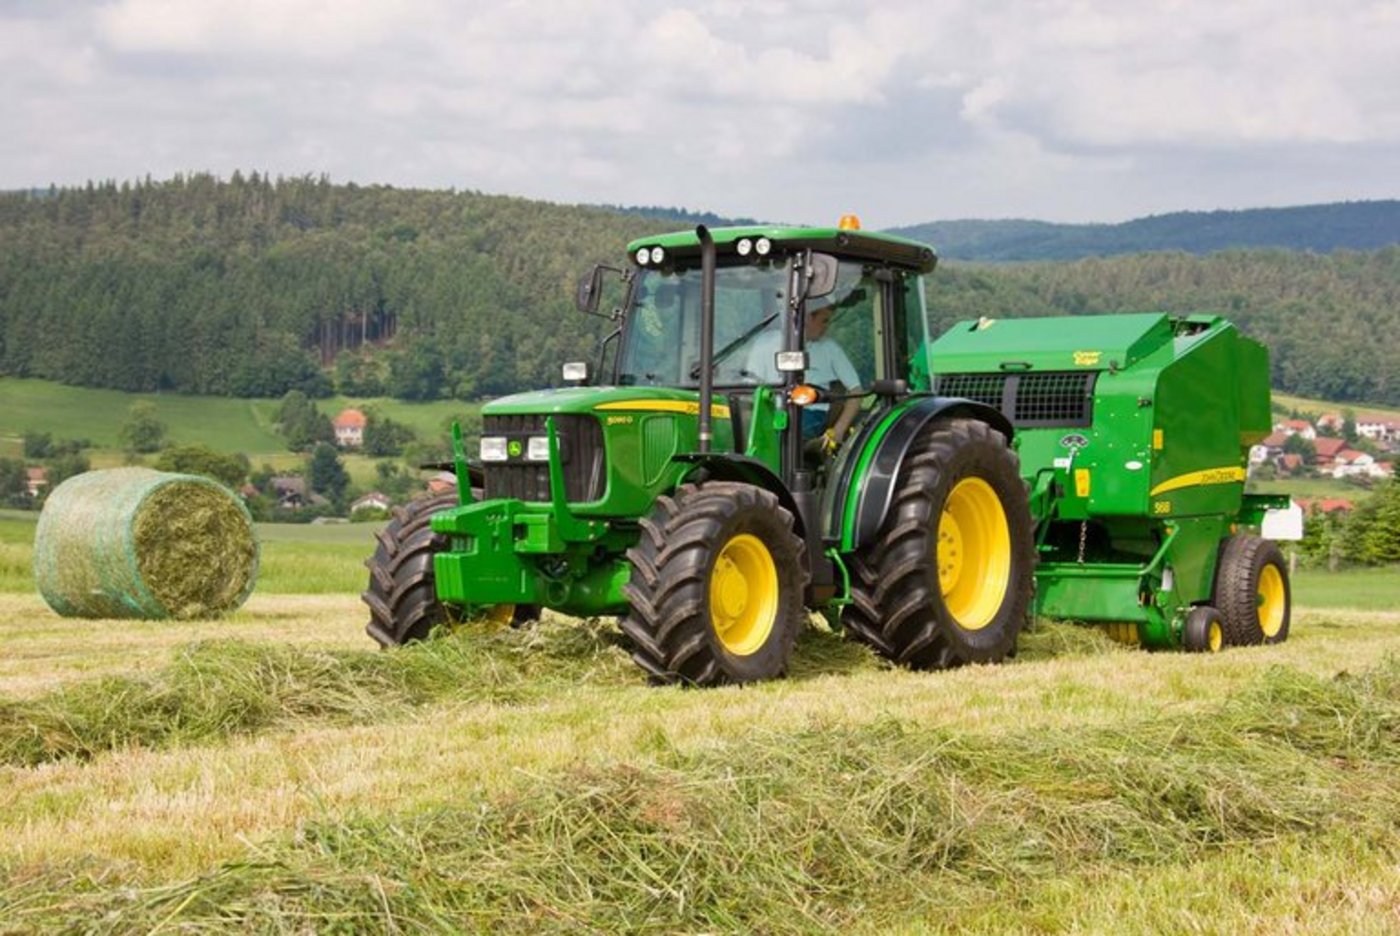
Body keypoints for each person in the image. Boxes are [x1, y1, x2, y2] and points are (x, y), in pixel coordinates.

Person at [743, 297, 862, 455]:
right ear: (806, 318)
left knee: (783, 437)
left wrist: (838, 430)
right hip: (770, 413)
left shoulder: (830, 348)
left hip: (811, 413)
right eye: (824, 321)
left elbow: (856, 391)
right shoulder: (765, 344)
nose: (826, 327)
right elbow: (748, 391)